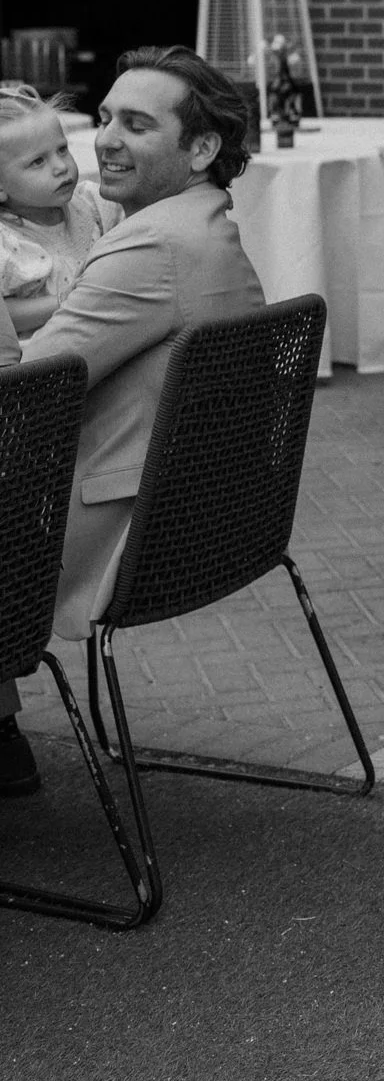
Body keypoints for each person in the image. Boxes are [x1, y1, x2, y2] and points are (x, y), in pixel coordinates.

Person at [0, 48, 264, 798]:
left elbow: (23, 393)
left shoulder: (150, 245)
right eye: (107, 117)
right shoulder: (199, 222)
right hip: (206, 521)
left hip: (118, 533)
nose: (106, 139)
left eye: (138, 124)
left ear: (201, 148)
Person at [0, 83, 120, 340]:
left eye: (62, 149)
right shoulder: (5, 242)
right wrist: (68, 300)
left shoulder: (92, 203)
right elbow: (5, 316)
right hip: (38, 369)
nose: (61, 167)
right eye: (38, 161)